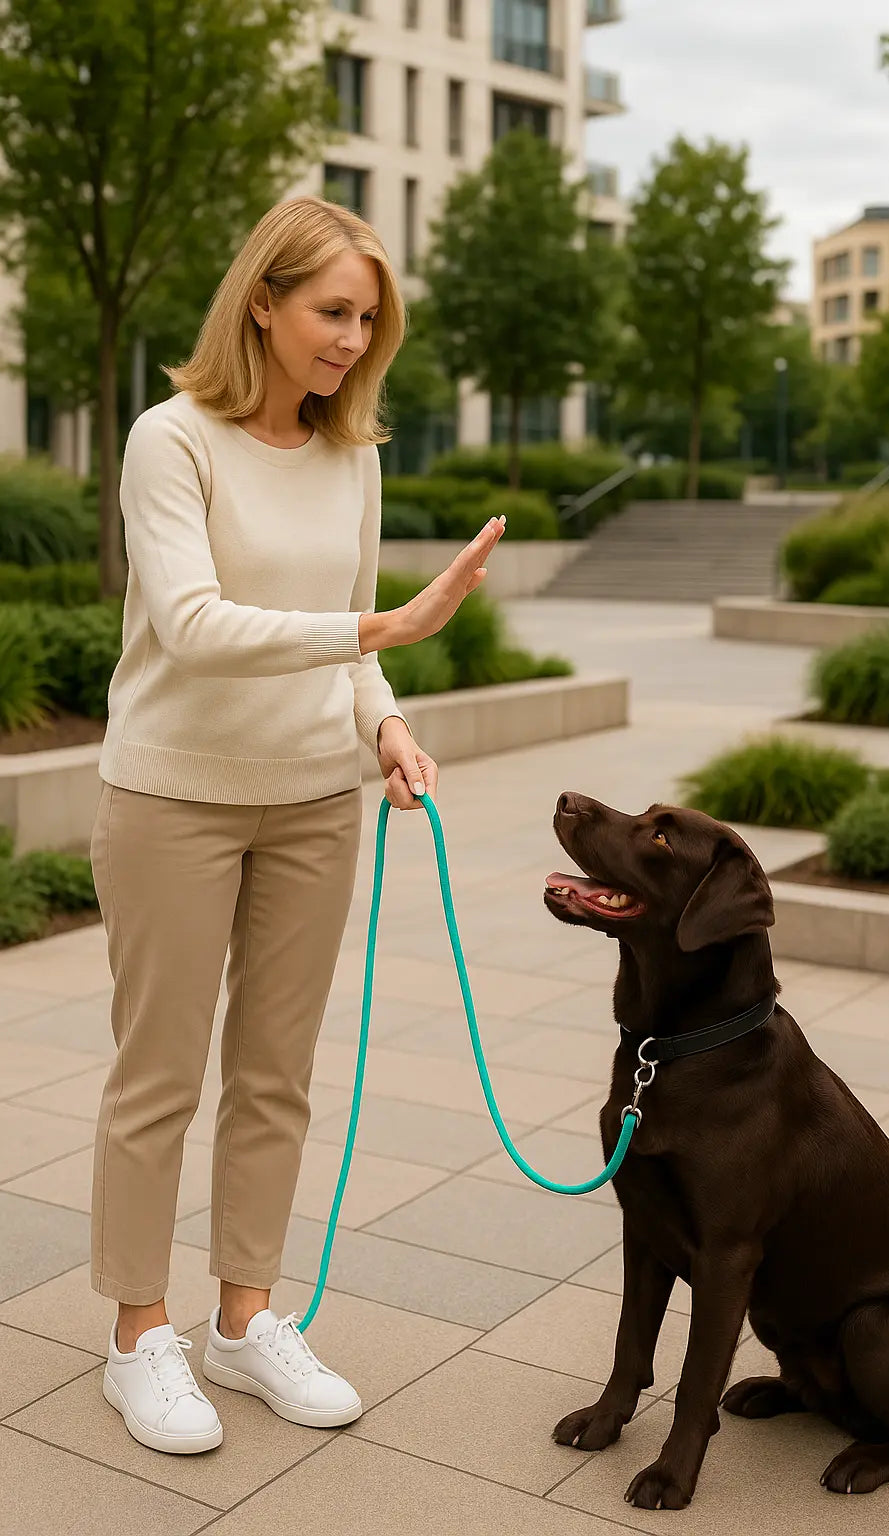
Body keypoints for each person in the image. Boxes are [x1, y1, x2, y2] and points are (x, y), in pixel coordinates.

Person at [90, 194, 505, 1456]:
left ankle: (243, 1319)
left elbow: (348, 641)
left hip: (318, 802)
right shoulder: (171, 440)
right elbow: (193, 624)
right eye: (332, 311)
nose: (351, 339)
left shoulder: (350, 455)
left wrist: (386, 723)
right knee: (158, 1079)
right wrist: (383, 630)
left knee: (275, 1079)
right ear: (262, 303)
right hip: (172, 796)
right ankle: (137, 1337)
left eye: (368, 319)